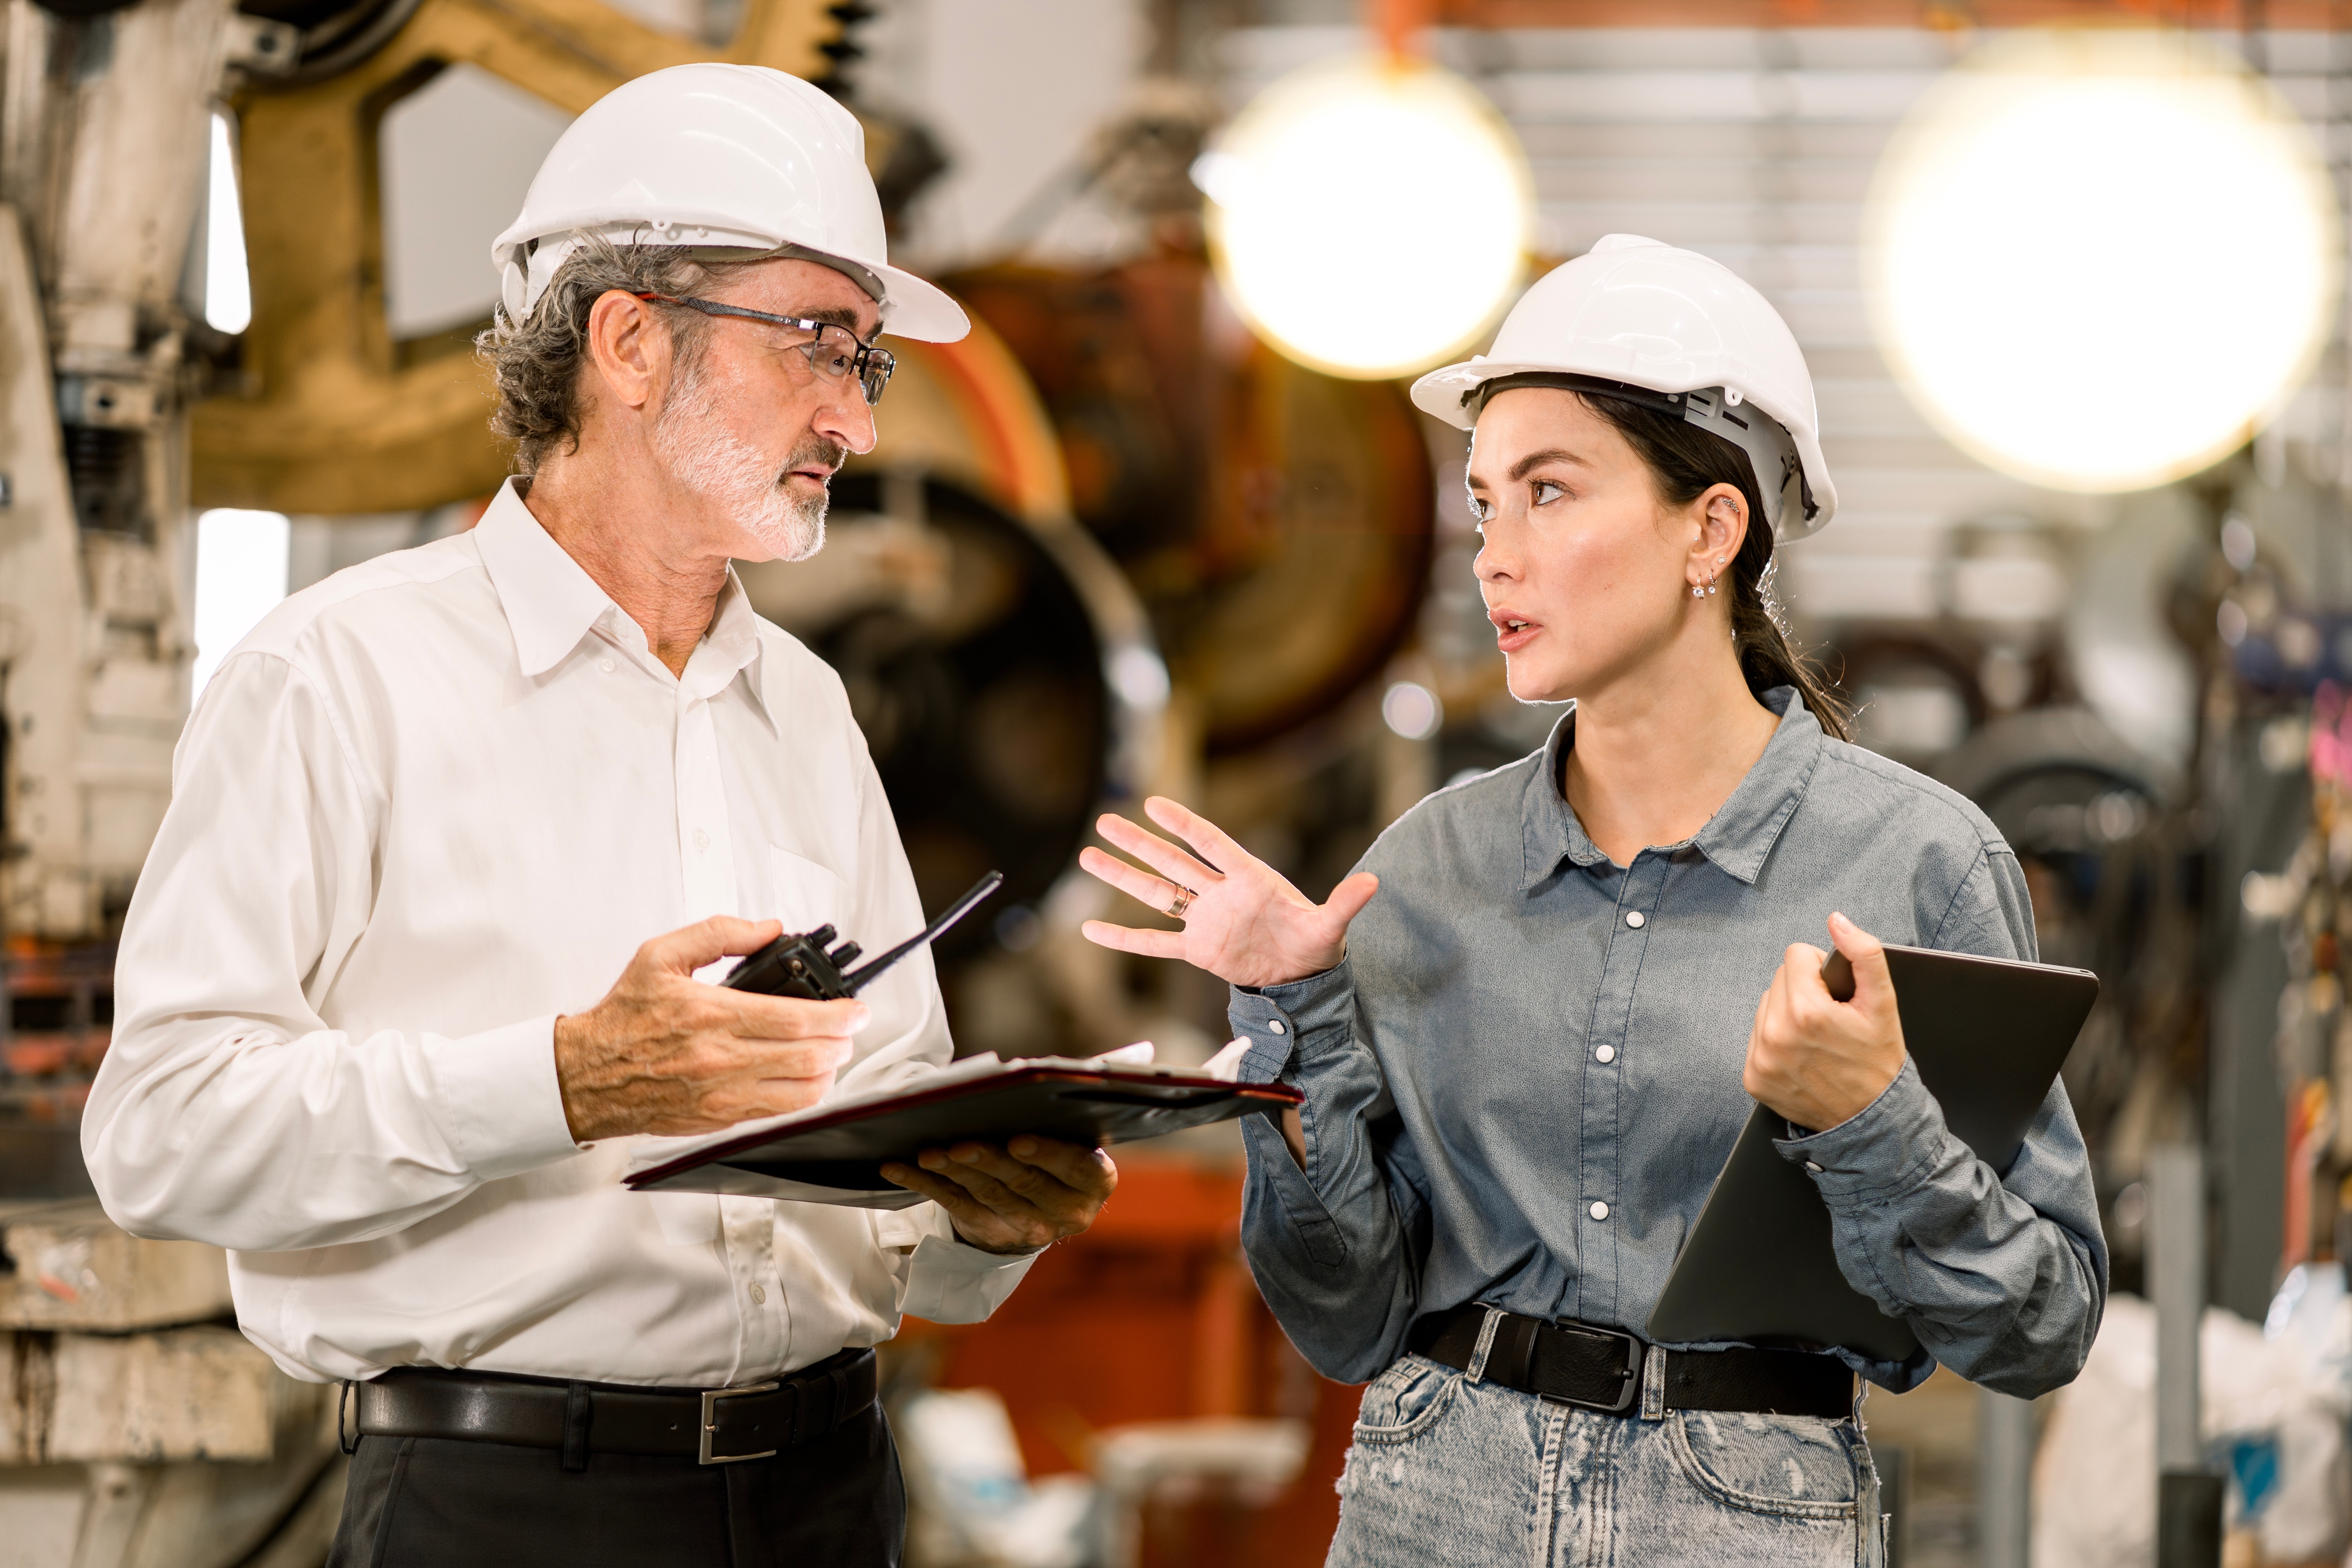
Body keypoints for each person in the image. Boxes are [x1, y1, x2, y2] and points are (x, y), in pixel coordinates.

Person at [82, 64, 1113, 1568]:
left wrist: (983, 1226)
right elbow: (162, 1136)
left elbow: (899, 1213)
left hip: (826, 1493)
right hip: (507, 1514)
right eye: (823, 345)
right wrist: (568, 1080)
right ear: (630, 341)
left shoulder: (808, 707)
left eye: (868, 365)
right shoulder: (335, 676)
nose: (857, 421)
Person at [1079, 235, 2103, 1567]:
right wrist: (1295, 1013)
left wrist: (1874, 1122)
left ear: (1710, 528)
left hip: (1745, 1517)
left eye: (1548, 493)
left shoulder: (1915, 867)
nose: (1492, 557)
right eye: (1483, 502)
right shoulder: (1424, 866)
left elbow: (2038, 1329)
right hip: (1428, 1496)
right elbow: (1341, 1317)